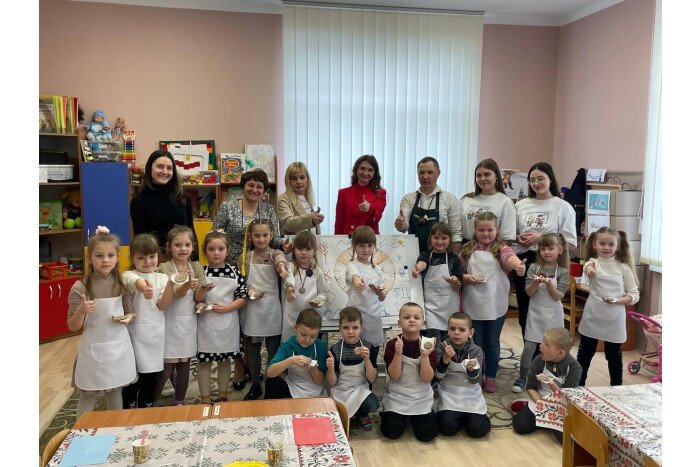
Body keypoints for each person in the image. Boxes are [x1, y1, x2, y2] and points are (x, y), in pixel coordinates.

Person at [67, 226, 136, 418]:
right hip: (92, 352)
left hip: (117, 347)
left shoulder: (121, 283)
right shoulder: (80, 288)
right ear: (90, 258)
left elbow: (130, 311)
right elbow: (73, 326)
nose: (105, 260)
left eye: (110, 255)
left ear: (117, 257)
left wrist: (128, 318)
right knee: (88, 394)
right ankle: (81, 431)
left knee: (115, 391)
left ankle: (116, 427)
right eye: (99, 256)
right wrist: (82, 310)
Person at [460, 212, 526, 393]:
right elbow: (458, 271)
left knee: (492, 342)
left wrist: (518, 266)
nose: (486, 234)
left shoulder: (502, 249)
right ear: (475, 231)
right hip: (473, 302)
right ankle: (476, 373)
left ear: (497, 231)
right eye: (481, 230)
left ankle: (490, 376)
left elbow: (510, 259)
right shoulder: (467, 250)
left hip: (495, 304)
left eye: (490, 230)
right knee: (475, 342)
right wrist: (465, 278)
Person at [513, 162, 577, 337]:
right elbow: (510, 234)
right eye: (532, 180)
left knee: (548, 307)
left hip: (550, 263)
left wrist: (541, 239)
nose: (536, 183)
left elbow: (570, 242)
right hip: (524, 260)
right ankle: (529, 349)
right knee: (525, 308)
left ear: (551, 179)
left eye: (541, 178)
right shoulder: (521, 205)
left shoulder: (563, 206)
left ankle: (550, 349)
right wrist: (518, 238)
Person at [577, 227, 639, 386]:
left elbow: (634, 295)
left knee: (613, 355)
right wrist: (590, 271)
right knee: (585, 352)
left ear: (617, 246)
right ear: (594, 245)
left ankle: (616, 388)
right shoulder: (592, 263)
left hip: (614, 317)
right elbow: (588, 269)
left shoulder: (623, 268)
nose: (606, 247)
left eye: (611, 244)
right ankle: (578, 386)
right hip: (593, 315)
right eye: (602, 243)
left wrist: (617, 300)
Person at [154, 225, 209, 405]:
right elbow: (175, 293)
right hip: (168, 323)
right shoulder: (163, 268)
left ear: (193, 246)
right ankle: (150, 403)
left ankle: (179, 401)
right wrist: (187, 285)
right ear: (169, 247)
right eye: (178, 245)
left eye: (187, 245)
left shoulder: (196, 267)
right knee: (165, 369)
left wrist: (203, 291)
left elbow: (198, 297)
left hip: (187, 324)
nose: (183, 249)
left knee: (184, 365)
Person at [121, 233, 175, 409]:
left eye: (152, 256)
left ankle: (146, 407)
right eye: (141, 257)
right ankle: (128, 407)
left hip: (154, 336)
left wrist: (170, 286)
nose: (147, 261)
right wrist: (144, 288)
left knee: (151, 376)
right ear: (132, 258)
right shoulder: (128, 275)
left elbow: (163, 305)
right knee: (131, 376)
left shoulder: (162, 278)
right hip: (132, 335)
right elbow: (134, 281)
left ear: (158, 256)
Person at [512, 233, 570, 394]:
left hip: (554, 316)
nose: (546, 252)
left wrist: (550, 285)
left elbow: (558, 296)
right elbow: (529, 292)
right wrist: (536, 282)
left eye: (550, 248)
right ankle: (523, 377)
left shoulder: (563, 271)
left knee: (555, 348)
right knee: (529, 348)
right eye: (543, 249)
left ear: (560, 250)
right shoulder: (533, 268)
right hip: (535, 314)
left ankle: (554, 378)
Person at [238, 218, 289, 400]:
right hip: (253, 308)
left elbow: (280, 261)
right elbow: (241, 282)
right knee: (253, 349)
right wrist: (250, 290)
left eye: (265, 235)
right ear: (250, 237)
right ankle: (256, 384)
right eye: (257, 235)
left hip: (272, 307)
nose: (261, 239)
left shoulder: (276, 254)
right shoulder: (245, 257)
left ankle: (271, 384)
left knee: (273, 348)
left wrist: (282, 269)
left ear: (271, 235)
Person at [196, 230, 248, 403]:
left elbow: (243, 298)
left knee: (225, 361)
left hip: (228, 323)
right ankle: (205, 397)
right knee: (204, 361)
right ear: (205, 251)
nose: (216, 253)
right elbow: (196, 298)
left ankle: (222, 395)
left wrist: (227, 308)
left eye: (220, 249)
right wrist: (201, 296)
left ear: (227, 250)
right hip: (205, 325)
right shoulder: (201, 272)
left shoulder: (235, 272)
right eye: (211, 249)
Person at [511, 327, 583, 442]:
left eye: (546, 344)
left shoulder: (574, 368)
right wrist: (541, 404)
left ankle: (542, 422)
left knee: (566, 440)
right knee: (519, 426)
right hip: (540, 400)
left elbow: (566, 397)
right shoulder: (538, 360)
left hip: (561, 405)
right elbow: (531, 387)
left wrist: (552, 385)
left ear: (560, 353)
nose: (540, 345)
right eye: (542, 341)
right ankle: (532, 411)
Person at [380, 302, 438, 442]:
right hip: (397, 396)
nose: (412, 320)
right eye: (407, 317)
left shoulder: (428, 344)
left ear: (423, 323)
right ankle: (397, 416)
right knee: (391, 432)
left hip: (421, 396)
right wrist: (397, 354)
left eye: (416, 317)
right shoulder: (392, 344)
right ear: (399, 322)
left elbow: (426, 379)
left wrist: (425, 356)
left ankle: (417, 417)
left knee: (427, 435)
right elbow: (394, 376)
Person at [214, 169, 289, 264]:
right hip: (231, 264)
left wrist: (283, 245)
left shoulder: (269, 210)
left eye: (259, 187)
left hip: (260, 264)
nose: (254, 190)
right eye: (250, 185)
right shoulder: (227, 207)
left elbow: (274, 239)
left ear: (264, 191)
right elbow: (215, 235)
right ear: (243, 187)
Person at [435, 312, 490, 438]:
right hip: (449, 394)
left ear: (471, 332)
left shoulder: (476, 351)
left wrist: (471, 370)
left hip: (470, 395)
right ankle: (457, 417)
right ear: (448, 330)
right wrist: (445, 359)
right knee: (447, 428)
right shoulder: (442, 347)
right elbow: (437, 376)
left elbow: (475, 380)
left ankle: (467, 418)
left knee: (478, 430)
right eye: (452, 329)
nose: (456, 332)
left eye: (462, 329)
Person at [130, 150, 194, 254]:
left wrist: (195, 261)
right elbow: (140, 241)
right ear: (150, 168)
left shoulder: (184, 198)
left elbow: (191, 233)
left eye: (169, 168)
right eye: (160, 167)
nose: (165, 171)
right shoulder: (138, 201)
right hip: (154, 258)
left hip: (183, 257)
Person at [326, 307, 380, 431]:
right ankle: (346, 414)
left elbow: (372, 379)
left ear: (361, 328)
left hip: (360, 390)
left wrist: (367, 360)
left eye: (355, 327)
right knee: (334, 422)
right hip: (341, 391)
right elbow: (332, 382)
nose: (350, 332)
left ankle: (361, 414)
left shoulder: (368, 347)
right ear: (339, 328)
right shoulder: (335, 349)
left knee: (373, 404)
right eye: (346, 328)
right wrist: (330, 368)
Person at [395, 157, 462, 253]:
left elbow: (456, 235)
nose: (425, 176)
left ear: (438, 173)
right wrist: (400, 224)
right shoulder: (408, 198)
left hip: (440, 256)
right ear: (417, 173)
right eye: (421, 172)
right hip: (413, 254)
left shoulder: (450, 199)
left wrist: (454, 259)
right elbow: (403, 227)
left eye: (430, 172)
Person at [412, 222, 463, 342]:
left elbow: (458, 285)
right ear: (430, 239)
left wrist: (455, 281)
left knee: (448, 341)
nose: (440, 241)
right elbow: (423, 262)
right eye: (436, 238)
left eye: (444, 238)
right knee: (431, 341)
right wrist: (418, 268)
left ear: (450, 239)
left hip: (449, 307)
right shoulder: (425, 255)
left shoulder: (454, 259)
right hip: (430, 308)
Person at [345, 226, 387, 368]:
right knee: (354, 357)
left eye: (370, 245)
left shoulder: (377, 269)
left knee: (371, 358)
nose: (366, 249)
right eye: (361, 246)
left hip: (373, 319)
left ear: (374, 246)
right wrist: (358, 283)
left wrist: (379, 292)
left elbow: (382, 297)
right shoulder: (352, 264)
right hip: (354, 319)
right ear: (354, 246)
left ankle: (369, 380)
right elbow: (354, 275)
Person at [265, 308, 328, 399]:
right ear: (295, 327)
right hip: (292, 388)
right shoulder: (288, 345)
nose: (307, 340)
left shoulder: (320, 346)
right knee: (271, 382)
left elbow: (319, 380)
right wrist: (291, 361)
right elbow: (270, 373)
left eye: (313, 336)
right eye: (303, 335)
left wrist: (313, 367)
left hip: (315, 392)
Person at [283, 231, 329, 342]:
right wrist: (289, 289)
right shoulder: (290, 266)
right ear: (294, 250)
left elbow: (323, 292)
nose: (303, 253)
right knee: (290, 345)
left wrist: (318, 299)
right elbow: (289, 279)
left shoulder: (317, 271)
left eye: (308, 249)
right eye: (299, 249)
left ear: (314, 251)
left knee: (308, 343)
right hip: (292, 316)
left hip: (310, 318)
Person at [460, 158, 516, 243]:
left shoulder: (505, 202)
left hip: (492, 248)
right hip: (466, 247)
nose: (482, 179)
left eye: (487, 174)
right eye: (478, 175)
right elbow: (456, 231)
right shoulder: (466, 199)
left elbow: (506, 238)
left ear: (496, 176)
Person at [335, 155, 387, 235]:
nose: (365, 173)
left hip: (370, 239)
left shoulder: (380, 193)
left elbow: (377, 218)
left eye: (370, 170)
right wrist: (336, 240)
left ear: (374, 173)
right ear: (356, 170)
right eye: (362, 168)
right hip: (349, 239)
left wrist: (370, 209)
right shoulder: (343, 193)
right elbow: (339, 223)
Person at [277, 162, 325, 235]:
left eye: (302, 177)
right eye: (294, 179)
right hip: (294, 242)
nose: (299, 182)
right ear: (288, 181)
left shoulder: (308, 198)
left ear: (307, 179)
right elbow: (287, 223)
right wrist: (311, 219)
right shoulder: (283, 199)